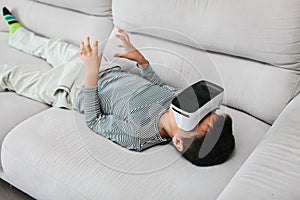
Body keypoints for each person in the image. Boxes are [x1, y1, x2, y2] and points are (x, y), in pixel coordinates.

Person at [1, 7, 235, 166]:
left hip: (75, 87)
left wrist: (90, 75)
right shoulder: (178, 104)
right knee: (54, 48)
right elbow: (158, 85)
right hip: (106, 67)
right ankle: (18, 34)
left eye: (195, 118)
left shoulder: (140, 135)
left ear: (178, 141)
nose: (196, 109)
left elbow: (95, 120)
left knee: (16, 77)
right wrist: (142, 63)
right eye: (207, 110)